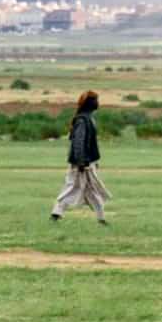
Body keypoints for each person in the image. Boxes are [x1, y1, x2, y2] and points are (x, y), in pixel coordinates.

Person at [51, 90, 112, 225]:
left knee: (92, 189)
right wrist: (80, 161)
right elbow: (78, 142)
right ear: (91, 104)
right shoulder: (83, 120)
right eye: (96, 100)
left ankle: (101, 218)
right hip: (81, 163)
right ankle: (56, 214)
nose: (98, 103)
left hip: (88, 162)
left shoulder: (87, 118)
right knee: (72, 187)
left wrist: (93, 161)